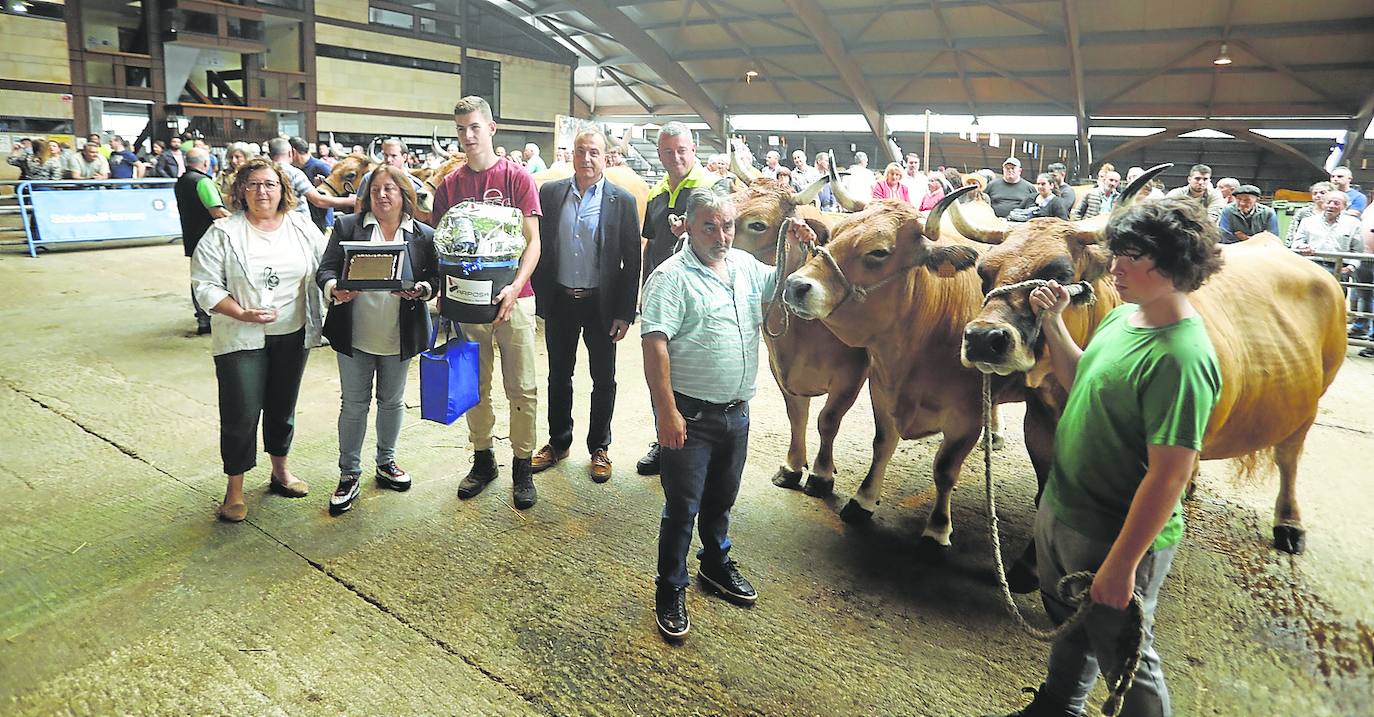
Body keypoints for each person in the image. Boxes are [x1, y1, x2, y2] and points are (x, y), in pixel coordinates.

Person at [985, 198, 1223, 717]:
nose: (1113, 268)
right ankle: (1059, 705)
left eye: (1130, 257)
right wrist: (1052, 324)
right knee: (1072, 624)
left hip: (1114, 531)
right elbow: (1079, 379)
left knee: (1128, 657)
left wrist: (1121, 564)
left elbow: (1170, 476)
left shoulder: (1181, 357)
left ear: (1174, 262)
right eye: (1116, 254)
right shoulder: (1123, 319)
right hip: (1067, 508)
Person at [640, 188, 808, 642]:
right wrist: (666, 413)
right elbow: (654, 345)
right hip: (689, 417)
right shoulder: (670, 277)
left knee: (721, 499)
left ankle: (714, 564)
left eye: (728, 225)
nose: (722, 235)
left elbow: (781, 284)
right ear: (690, 227)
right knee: (682, 508)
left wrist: (793, 246)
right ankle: (670, 586)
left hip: (737, 413)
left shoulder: (746, 268)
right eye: (710, 226)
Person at [190, 158, 327, 523]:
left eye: (269, 184)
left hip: (292, 331)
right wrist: (240, 313)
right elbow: (204, 284)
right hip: (241, 337)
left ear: (283, 190)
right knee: (241, 411)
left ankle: (280, 471)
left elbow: (326, 265)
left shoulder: (301, 226)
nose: (261, 192)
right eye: (252, 185)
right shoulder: (223, 232)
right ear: (240, 191)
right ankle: (234, 490)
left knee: (283, 407)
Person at [432, 95, 544, 510]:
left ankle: (522, 464)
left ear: (491, 129)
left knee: (523, 388)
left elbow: (534, 245)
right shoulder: (450, 185)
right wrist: (443, 289)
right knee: (474, 386)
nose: (467, 136)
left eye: (475, 127)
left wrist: (515, 288)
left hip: (516, 301)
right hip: (466, 304)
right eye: (461, 129)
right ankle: (483, 459)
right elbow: (441, 249)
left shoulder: (517, 179)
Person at [316, 165, 439, 515]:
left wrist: (423, 289)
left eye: (390, 189)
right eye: (375, 190)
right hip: (355, 333)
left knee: (392, 402)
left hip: (398, 335)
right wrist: (334, 289)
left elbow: (435, 277)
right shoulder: (347, 227)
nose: (382, 196)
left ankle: (386, 463)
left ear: (404, 195)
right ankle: (349, 473)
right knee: (353, 404)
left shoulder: (423, 235)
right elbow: (324, 270)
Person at [530, 129, 642, 482]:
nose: (587, 158)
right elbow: (539, 246)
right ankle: (558, 442)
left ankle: (599, 447)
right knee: (558, 376)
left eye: (594, 152)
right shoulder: (550, 193)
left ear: (605, 156)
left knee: (603, 379)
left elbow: (630, 261)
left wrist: (625, 312)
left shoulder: (620, 200)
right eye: (581, 151)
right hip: (562, 301)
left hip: (601, 306)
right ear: (572, 155)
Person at [635, 121, 732, 477]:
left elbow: (724, 240)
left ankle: (699, 445)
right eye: (667, 151)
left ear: (694, 150)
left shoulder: (713, 187)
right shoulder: (656, 193)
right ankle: (664, 440)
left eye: (682, 150)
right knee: (659, 370)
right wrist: (645, 290)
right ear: (658, 154)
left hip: (700, 296)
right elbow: (651, 245)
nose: (675, 157)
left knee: (695, 372)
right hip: (663, 297)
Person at [177, 148, 231, 335]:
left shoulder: (181, 181)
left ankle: (202, 320)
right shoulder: (203, 182)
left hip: (192, 238)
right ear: (206, 163)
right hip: (209, 240)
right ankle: (211, 317)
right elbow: (217, 212)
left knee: (198, 278)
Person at [267, 138, 354, 224]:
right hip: (298, 224)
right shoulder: (294, 172)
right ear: (291, 153)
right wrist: (351, 201)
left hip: (274, 224)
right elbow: (318, 200)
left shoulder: (264, 172)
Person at [1291, 192, 1361, 281]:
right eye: (1328, 202)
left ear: (1344, 206)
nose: (1331, 206)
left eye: (1336, 203)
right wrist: (1302, 246)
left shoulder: (1354, 224)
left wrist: (1350, 267)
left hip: (1338, 268)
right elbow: (1296, 242)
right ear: (1323, 204)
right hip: (1311, 266)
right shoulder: (1307, 221)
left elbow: (1358, 250)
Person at [356, 138, 428, 223]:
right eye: (386, 155)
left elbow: (421, 216)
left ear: (404, 157)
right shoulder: (368, 179)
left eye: (393, 156)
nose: (388, 160)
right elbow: (359, 207)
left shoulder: (416, 185)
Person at [290, 136, 335, 231]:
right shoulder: (296, 170)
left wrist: (322, 188)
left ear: (293, 152)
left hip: (321, 221)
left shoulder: (320, 166)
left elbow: (337, 190)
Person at [1285, 181, 1331, 247]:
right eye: (1315, 193)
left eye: (1322, 193)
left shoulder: (1336, 212)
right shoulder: (1303, 212)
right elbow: (1292, 232)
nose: (1318, 195)